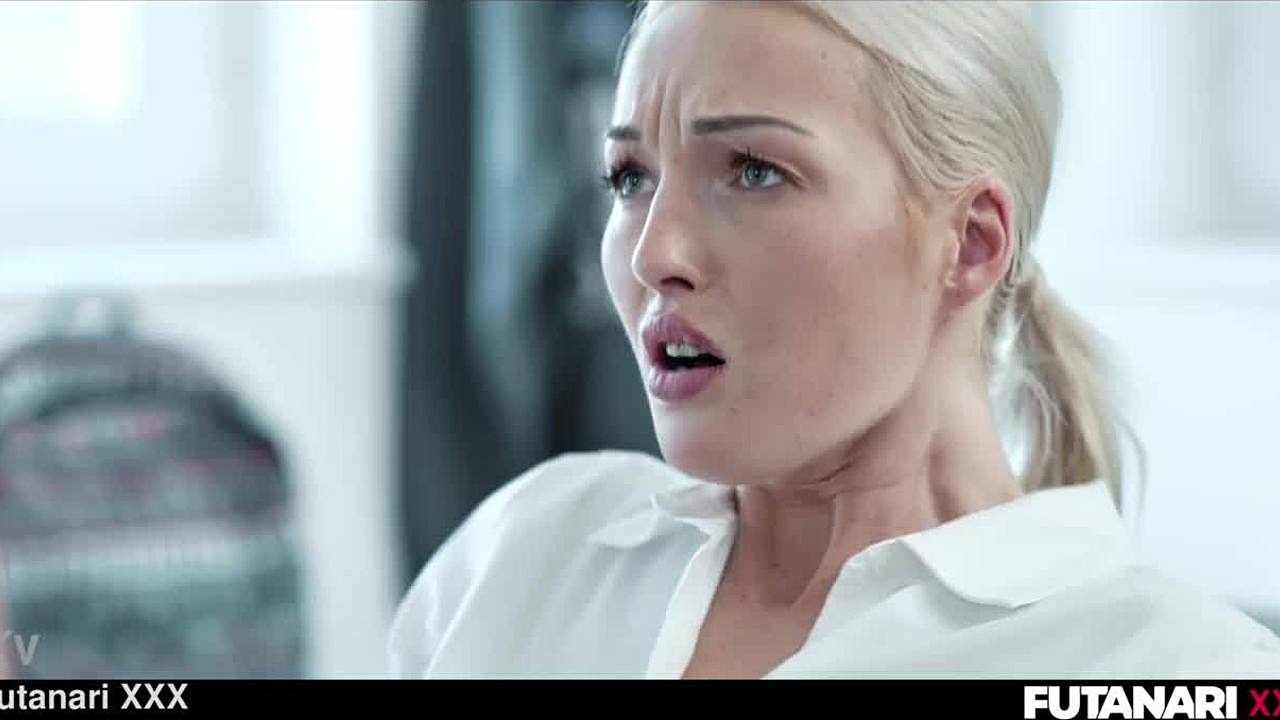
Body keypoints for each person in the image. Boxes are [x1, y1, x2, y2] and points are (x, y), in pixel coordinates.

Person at [387, 0, 1280, 679]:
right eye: (630, 178)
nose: (654, 252)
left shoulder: (1180, 669)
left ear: (972, 243)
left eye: (754, 171)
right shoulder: (524, 550)